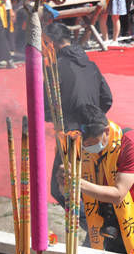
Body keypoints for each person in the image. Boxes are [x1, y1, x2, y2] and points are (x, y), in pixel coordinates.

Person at [66, 104, 134, 254]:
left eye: (92, 143)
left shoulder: (131, 142)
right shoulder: (81, 144)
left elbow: (119, 193)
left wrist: (77, 182)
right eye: (85, 145)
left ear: (106, 131)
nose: (89, 149)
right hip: (110, 215)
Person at [44, 22, 112, 208]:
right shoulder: (90, 64)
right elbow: (107, 99)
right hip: (97, 133)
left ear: (51, 43)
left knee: (61, 188)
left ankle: (91, 226)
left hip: (70, 135)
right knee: (91, 183)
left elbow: (45, 108)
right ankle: (95, 226)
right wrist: (93, 119)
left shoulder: (54, 68)